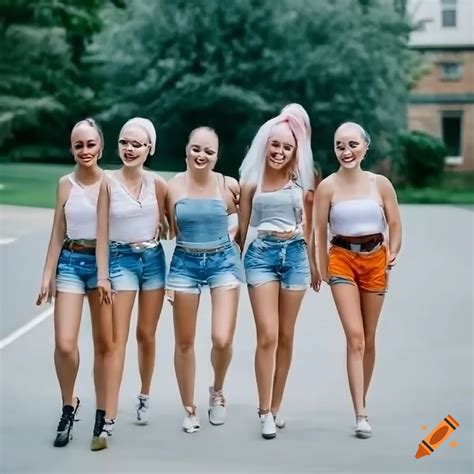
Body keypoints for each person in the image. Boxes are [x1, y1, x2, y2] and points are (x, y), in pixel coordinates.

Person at [314, 122, 402, 439]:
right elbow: (318, 231)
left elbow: (394, 222)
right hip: (341, 259)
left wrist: (394, 249)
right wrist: (319, 266)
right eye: (339, 145)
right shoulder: (327, 187)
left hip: (375, 257)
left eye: (352, 144)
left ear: (365, 147)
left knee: (369, 336)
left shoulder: (380, 184)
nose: (346, 151)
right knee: (355, 337)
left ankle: (361, 396)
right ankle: (360, 413)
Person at [239, 105, 320, 440]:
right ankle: (263, 411)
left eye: (287, 148)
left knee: (286, 335)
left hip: (296, 256)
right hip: (261, 256)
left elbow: (312, 227)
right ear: (266, 144)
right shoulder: (250, 182)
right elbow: (242, 230)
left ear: (295, 151)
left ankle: (275, 407)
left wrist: (315, 264)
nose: (280, 152)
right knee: (268, 335)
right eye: (275, 145)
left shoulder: (303, 183)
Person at [36, 118, 113, 449]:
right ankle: (69, 405)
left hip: (102, 268)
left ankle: (102, 413)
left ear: (100, 147)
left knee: (103, 344)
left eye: (90, 144)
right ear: (71, 148)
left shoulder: (111, 183)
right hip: (70, 262)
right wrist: (47, 272)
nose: (85, 150)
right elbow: (57, 230)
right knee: (65, 343)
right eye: (78, 145)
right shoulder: (65, 184)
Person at [96, 117, 168, 445]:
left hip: (153, 261)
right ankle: (108, 416)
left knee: (146, 334)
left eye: (137, 144)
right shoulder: (107, 183)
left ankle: (144, 395)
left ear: (149, 148)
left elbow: (176, 225)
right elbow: (100, 234)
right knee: (116, 340)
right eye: (125, 142)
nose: (129, 149)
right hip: (120, 261)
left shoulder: (158, 184)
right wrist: (102, 276)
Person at [166, 126, 242, 433]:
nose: (202, 156)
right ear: (186, 149)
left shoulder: (229, 185)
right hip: (184, 262)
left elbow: (242, 217)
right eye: (196, 149)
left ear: (217, 156)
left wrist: (234, 234)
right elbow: (165, 227)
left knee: (221, 338)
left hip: (223, 261)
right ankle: (189, 408)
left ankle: (217, 391)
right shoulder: (171, 187)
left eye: (209, 151)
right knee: (184, 341)